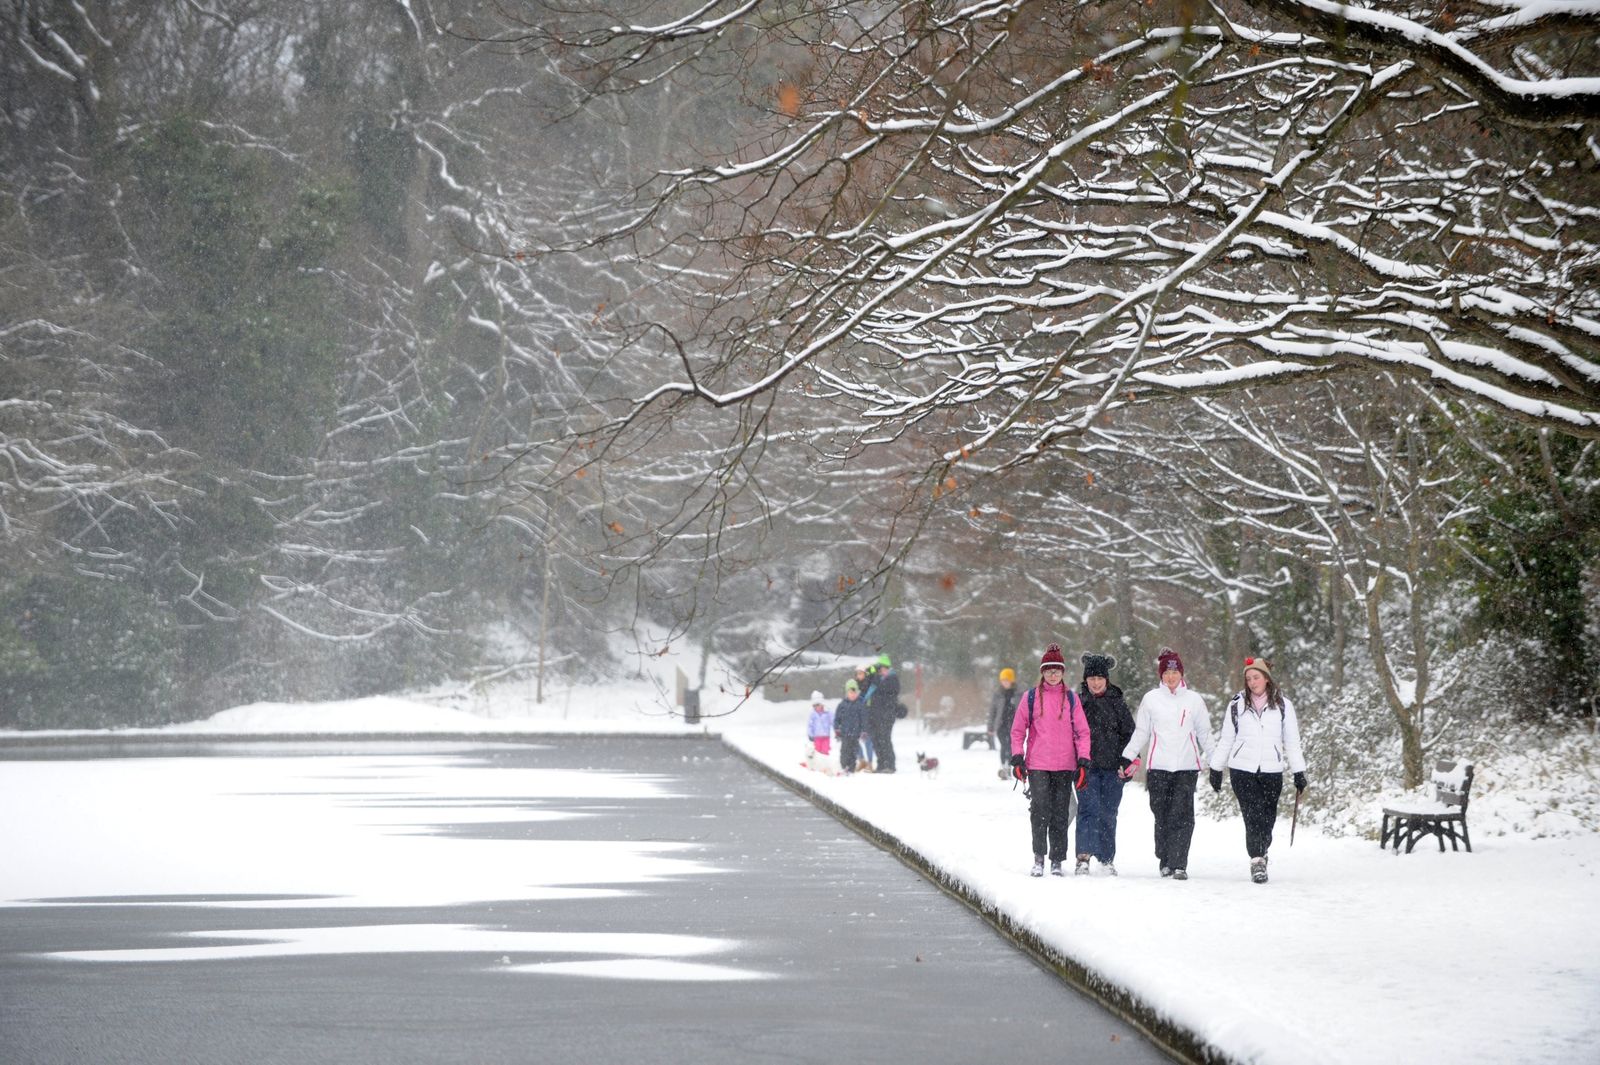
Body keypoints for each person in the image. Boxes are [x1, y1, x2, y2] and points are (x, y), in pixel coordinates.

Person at [1209, 656, 1308, 884]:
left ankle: (1262, 851)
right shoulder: (1236, 704)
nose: (1252, 682)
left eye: (1256, 677)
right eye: (1248, 678)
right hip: (1241, 769)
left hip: (1272, 770)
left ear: (1266, 678)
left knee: (1268, 817)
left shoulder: (1283, 705)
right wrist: (1216, 768)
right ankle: (1256, 860)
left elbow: (1292, 742)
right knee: (1252, 814)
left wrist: (1298, 772)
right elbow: (1226, 739)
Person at [1120, 648, 1213, 881]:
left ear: (1181, 674)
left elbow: (1205, 734)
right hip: (1158, 767)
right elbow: (1142, 732)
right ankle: (1165, 858)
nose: (1171, 677)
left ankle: (1179, 863)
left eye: (1175, 672)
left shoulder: (1194, 700)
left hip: (1186, 767)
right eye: (1166, 672)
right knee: (1161, 814)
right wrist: (1128, 755)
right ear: (1161, 675)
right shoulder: (1151, 699)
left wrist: (1216, 762)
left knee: (1182, 815)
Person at [1009, 643, 1091, 877]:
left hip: (1065, 765)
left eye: (1057, 670)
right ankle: (1038, 857)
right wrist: (1017, 756)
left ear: (1063, 672)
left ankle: (1056, 859)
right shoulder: (1031, 697)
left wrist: (1083, 760)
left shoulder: (1071, 699)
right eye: (1048, 670)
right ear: (1043, 672)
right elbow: (1018, 730)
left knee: (1060, 813)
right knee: (1039, 810)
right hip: (1037, 765)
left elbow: (1082, 732)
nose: (1053, 675)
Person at [1074, 652, 1135, 876]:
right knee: (1087, 810)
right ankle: (1083, 856)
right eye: (1092, 679)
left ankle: (1107, 858)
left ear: (1106, 679)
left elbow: (1129, 734)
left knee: (1109, 812)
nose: (1096, 683)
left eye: (1100, 678)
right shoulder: (1078, 703)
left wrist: (1126, 761)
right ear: (1085, 680)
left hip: (1112, 768)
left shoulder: (1117, 702)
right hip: (1086, 768)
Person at [866, 653, 901, 773]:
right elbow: (868, 683)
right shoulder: (878, 678)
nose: (881, 671)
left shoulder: (892, 679)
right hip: (876, 715)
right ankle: (881, 764)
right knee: (876, 740)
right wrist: (870, 672)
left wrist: (874, 676)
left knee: (885, 739)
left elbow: (884, 689)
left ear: (887, 668)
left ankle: (890, 765)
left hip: (887, 715)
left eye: (882, 669)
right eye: (880, 669)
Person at [987, 667, 1020, 780]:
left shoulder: (1018, 694)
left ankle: (1008, 767)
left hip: (1014, 725)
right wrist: (990, 726)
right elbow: (992, 712)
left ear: (1012, 681)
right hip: (1001, 725)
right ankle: (1003, 767)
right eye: (1003, 680)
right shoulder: (997, 695)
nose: (1005, 682)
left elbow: (1023, 710)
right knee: (1004, 745)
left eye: (1007, 680)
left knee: (1011, 746)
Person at [834, 679, 867, 774]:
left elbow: (864, 719)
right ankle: (844, 766)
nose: (852, 695)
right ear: (846, 693)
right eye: (850, 693)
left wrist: (864, 731)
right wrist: (837, 729)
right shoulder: (842, 705)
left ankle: (851, 768)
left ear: (857, 692)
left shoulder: (860, 704)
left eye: (854, 692)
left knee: (853, 752)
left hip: (855, 733)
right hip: (844, 733)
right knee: (844, 751)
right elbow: (837, 719)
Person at [854, 664, 877, 770]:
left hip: (869, 717)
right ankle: (862, 760)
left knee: (868, 740)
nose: (858, 676)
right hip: (859, 717)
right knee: (854, 739)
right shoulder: (857, 686)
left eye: (860, 673)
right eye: (857, 674)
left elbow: (869, 702)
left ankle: (870, 763)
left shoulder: (869, 686)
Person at [806, 690, 834, 756]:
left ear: (822, 704)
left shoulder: (828, 713)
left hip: (826, 737)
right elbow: (810, 725)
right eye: (814, 705)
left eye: (817, 705)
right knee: (817, 753)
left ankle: (825, 765)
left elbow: (833, 721)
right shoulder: (813, 714)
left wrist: (837, 730)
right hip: (816, 737)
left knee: (825, 752)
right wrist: (810, 734)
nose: (816, 707)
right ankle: (818, 765)